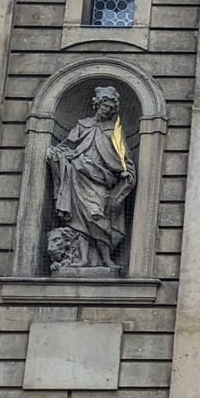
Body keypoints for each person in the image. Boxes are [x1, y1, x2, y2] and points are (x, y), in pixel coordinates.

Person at [46, 85, 135, 273]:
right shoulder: (83, 125)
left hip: (100, 180)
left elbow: (123, 157)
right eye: (105, 106)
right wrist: (56, 154)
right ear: (97, 104)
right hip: (78, 176)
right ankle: (84, 258)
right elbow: (66, 146)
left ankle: (106, 259)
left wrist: (126, 171)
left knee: (97, 217)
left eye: (111, 108)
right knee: (79, 220)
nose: (108, 110)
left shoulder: (114, 130)